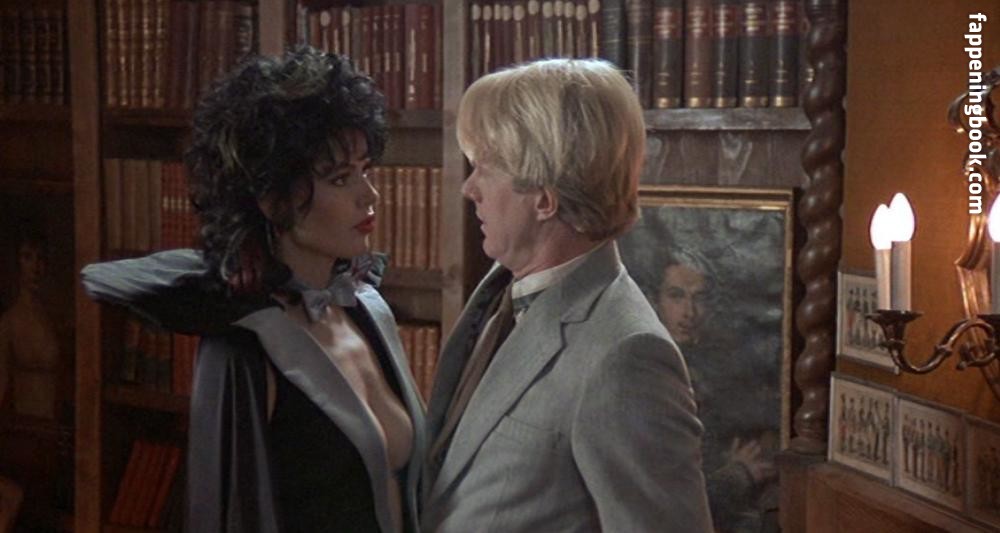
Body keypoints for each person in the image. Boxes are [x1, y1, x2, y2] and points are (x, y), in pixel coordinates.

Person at [81, 47, 425, 533]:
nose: (369, 195)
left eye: (366, 170)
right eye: (340, 178)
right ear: (271, 197)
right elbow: (227, 515)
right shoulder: (244, 346)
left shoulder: (367, 307)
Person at [421, 58, 713, 532]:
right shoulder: (496, 293)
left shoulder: (626, 356)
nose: (469, 187)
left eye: (485, 167)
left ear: (544, 197)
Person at [653, 250, 779, 533]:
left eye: (699, 298)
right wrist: (738, 475)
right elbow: (667, 496)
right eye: (676, 296)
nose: (689, 312)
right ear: (656, 300)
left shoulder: (725, 369)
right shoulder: (650, 376)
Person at [0, 226, 61, 420]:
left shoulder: (54, 318)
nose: (35, 267)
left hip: (54, 422)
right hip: (23, 425)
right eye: (27, 257)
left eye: (40, 258)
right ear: (17, 263)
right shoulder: (9, 321)